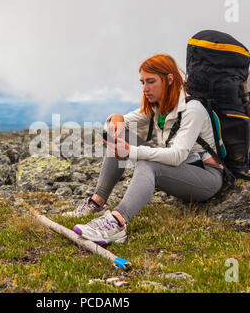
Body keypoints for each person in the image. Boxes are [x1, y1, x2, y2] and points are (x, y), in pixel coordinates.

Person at [63, 54, 224, 246]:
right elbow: (119, 123)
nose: (145, 88)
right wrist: (114, 119)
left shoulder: (193, 109)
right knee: (121, 134)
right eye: (142, 82)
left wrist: (131, 151)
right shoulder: (159, 106)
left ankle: (117, 222)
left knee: (148, 162)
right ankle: (97, 202)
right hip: (181, 169)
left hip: (206, 178)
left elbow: (176, 156)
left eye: (151, 81)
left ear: (169, 79)